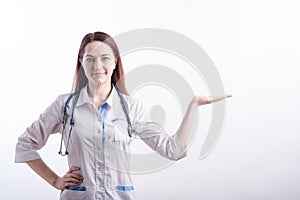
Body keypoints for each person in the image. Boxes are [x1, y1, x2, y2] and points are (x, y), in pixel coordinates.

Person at [15, 31, 232, 200]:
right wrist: (55, 180)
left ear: (116, 62)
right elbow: (25, 145)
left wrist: (193, 106)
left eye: (105, 58)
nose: (97, 66)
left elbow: (173, 150)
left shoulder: (131, 108)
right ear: (81, 62)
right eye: (90, 59)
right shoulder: (64, 105)